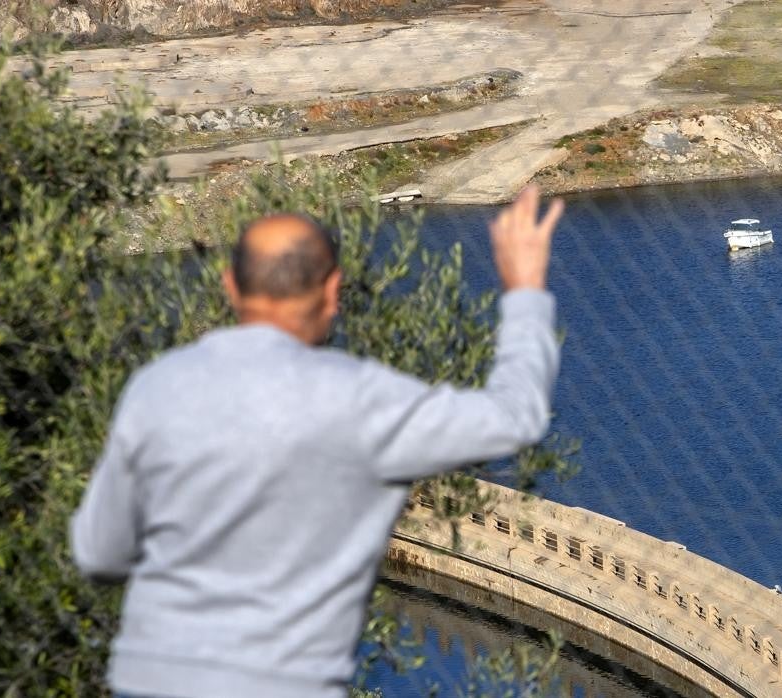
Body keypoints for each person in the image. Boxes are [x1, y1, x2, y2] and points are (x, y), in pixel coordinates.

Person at [70, 186, 565, 698]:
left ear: (229, 288)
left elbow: (98, 552)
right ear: (333, 291)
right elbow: (514, 418)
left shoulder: (156, 387)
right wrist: (524, 290)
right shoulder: (361, 400)